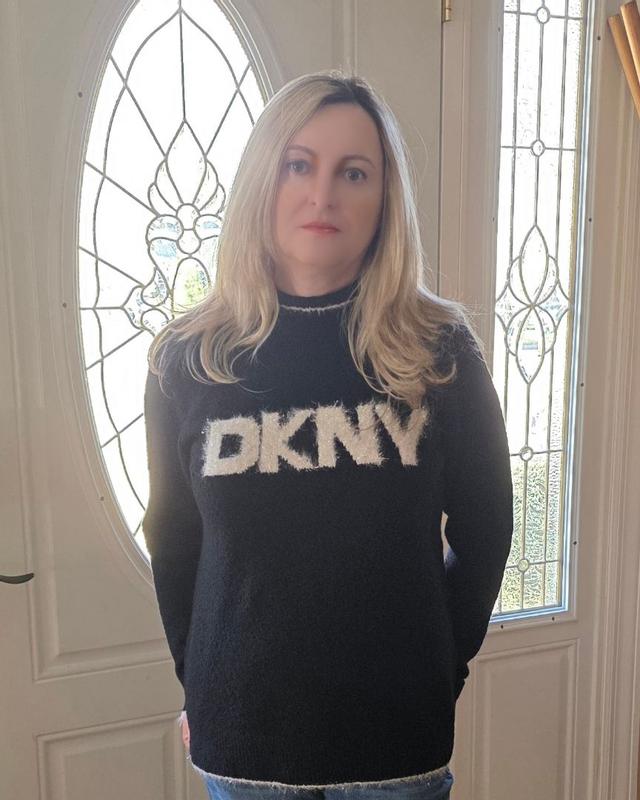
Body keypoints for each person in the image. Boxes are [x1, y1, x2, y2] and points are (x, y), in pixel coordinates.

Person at [142, 69, 513, 799]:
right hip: (243, 750)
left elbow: (488, 524)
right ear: (263, 179)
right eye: (298, 165)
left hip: (397, 748)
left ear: (385, 198)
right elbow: (175, 540)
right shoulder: (188, 358)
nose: (323, 195)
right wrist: (197, 679)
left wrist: (443, 664)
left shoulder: (439, 350)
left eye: (353, 172)